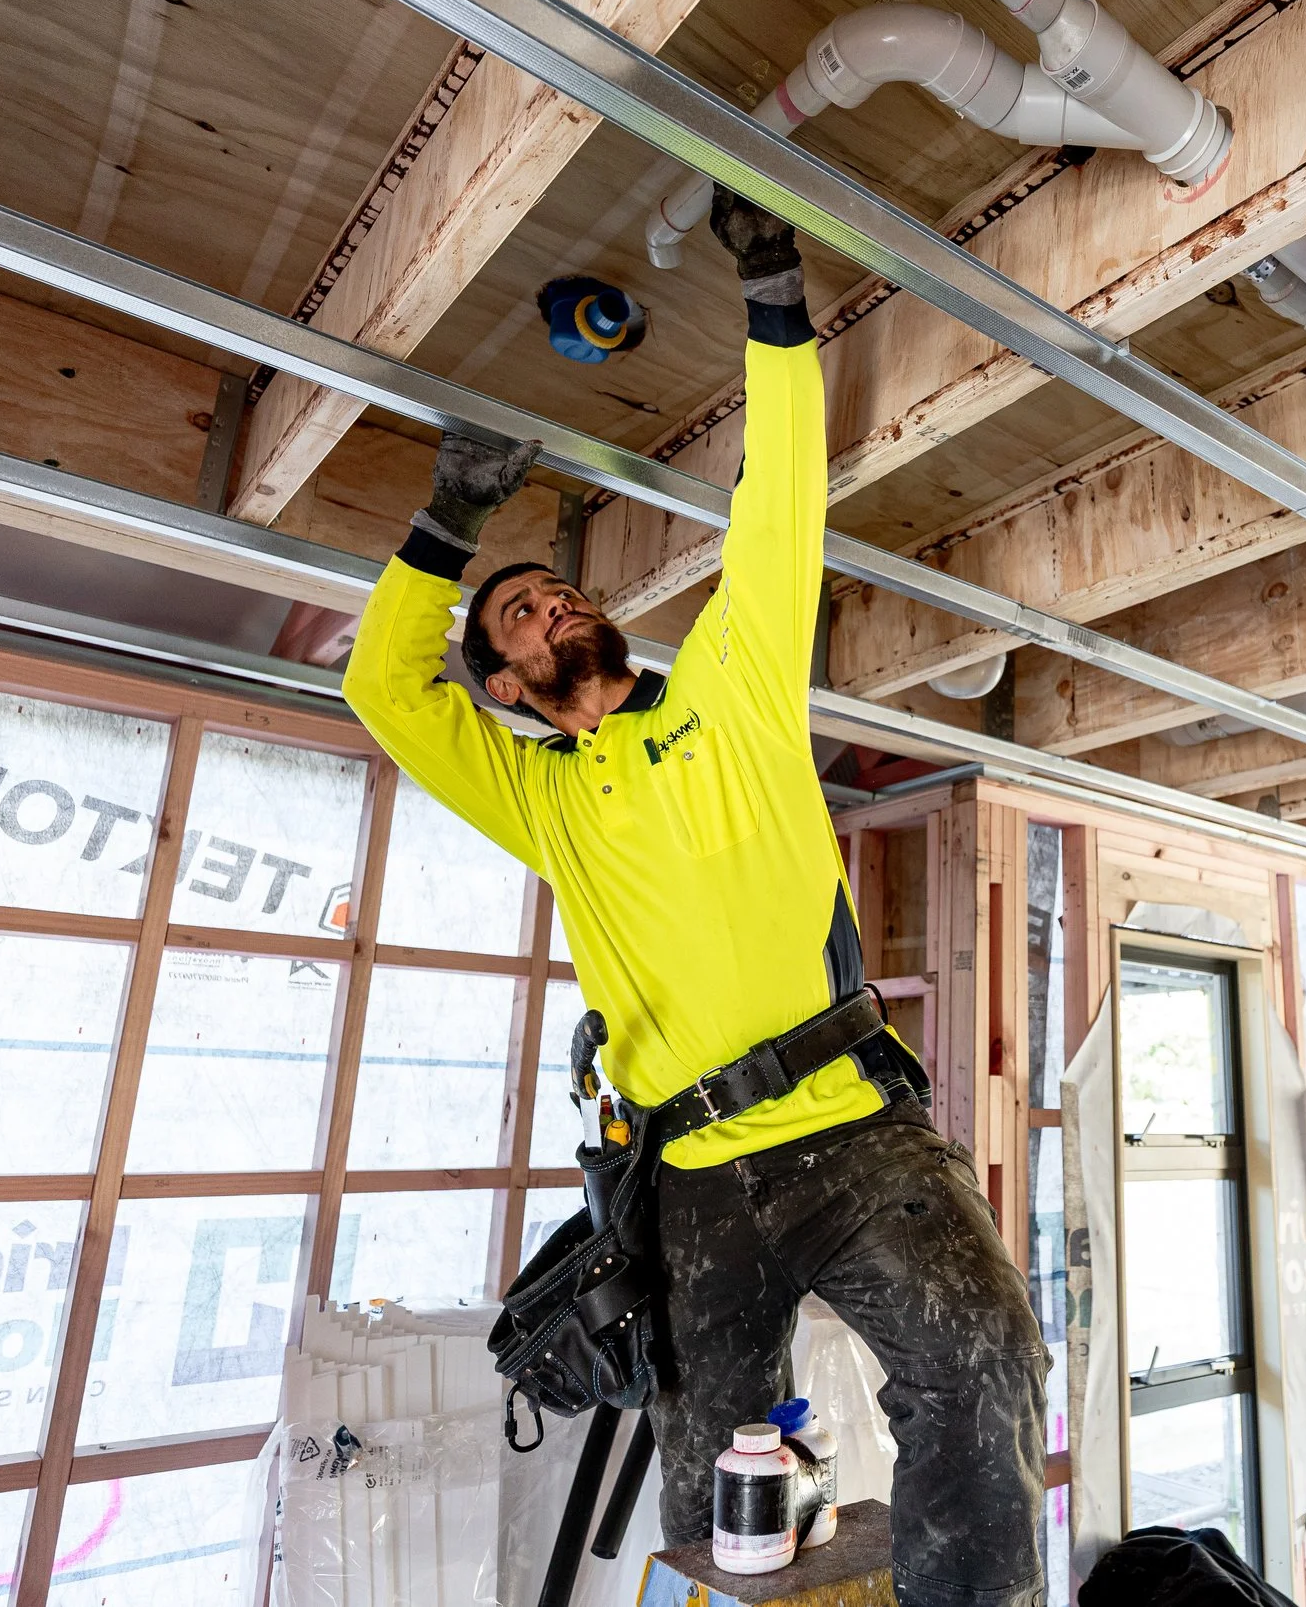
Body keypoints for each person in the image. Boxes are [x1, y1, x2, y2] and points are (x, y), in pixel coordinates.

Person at [342, 189, 1047, 1607]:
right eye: (515, 615)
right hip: (694, 1178)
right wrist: (450, 520)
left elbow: (780, 496)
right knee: (712, 1467)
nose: (544, 607)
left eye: (550, 590)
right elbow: (378, 687)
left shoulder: (727, 690)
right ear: (503, 687)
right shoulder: (540, 793)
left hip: (858, 1132)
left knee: (982, 1358)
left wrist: (773, 286)